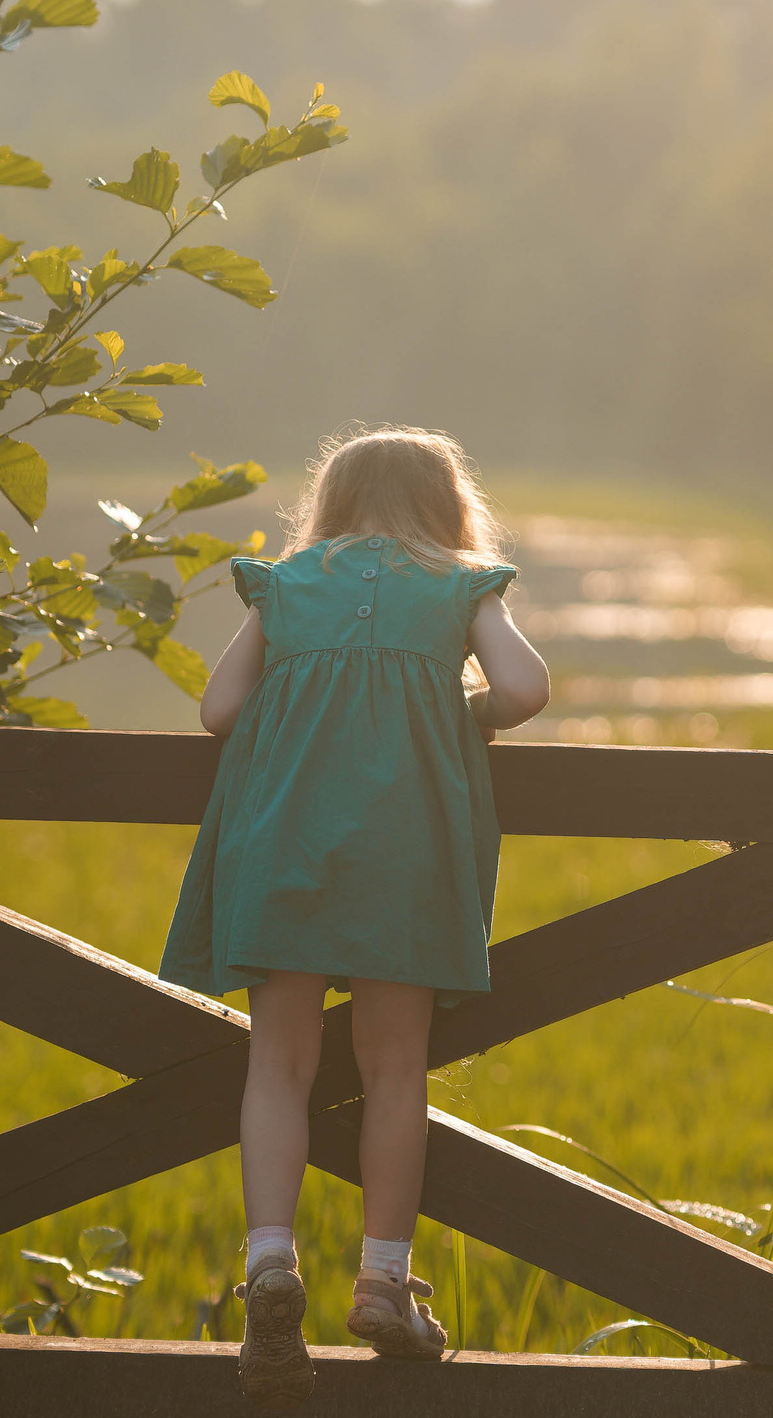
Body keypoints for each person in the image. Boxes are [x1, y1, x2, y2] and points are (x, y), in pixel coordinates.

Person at [160, 426, 550, 1406]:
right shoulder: (464, 583)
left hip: (282, 847)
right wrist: (462, 715)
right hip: (405, 858)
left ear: (329, 501)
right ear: (446, 503)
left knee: (278, 1065)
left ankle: (269, 1263)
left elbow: (216, 714)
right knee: (391, 1071)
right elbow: (524, 689)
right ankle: (381, 1278)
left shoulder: (283, 583)